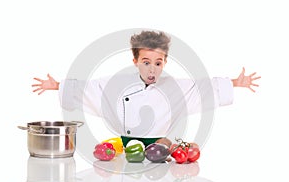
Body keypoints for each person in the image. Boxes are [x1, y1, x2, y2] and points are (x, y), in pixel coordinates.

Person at [32, 30, 261, 147]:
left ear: (165, 62)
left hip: (162, 147)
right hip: (125, 148)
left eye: (158, 63)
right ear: (135, 61)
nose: (152, 69)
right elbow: (92, 89)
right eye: (146, 62)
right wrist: (57, 86)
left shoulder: (173, 87)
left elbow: (201, 88)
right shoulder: (118, 84)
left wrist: (234, 83)